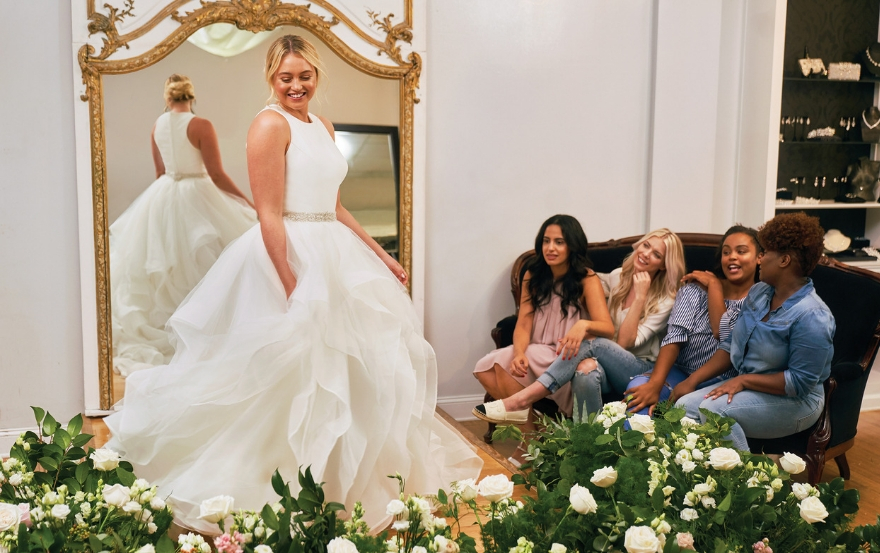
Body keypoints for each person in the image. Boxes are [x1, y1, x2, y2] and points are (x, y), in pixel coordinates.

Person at [104, 36, 482, 534]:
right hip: (291, 253)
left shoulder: (322, 126)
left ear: (316, 76)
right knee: (287, 377)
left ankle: (345, 488)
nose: (296, 86)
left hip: (336, 252)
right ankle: (276, 487)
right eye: (286, 78)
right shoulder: (268, 125)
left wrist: (380, 254)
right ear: (271, 78)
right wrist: (290, 281)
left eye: (305, 76)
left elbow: (337, 205)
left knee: (356, 372)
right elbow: (267, 214)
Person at [110, 74, 257, 377]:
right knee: (207, 264)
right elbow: (216, 174)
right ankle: (202, 333)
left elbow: (160, 171)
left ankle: (175, 334)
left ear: (167, 98)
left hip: (164, 196)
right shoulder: (201, 125)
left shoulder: (157, 126)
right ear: (192, 96)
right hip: (197, 194)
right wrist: (247, 204)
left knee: (167, 269)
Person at [473, 228, 685, 422]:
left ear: (664, 265)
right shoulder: (617, 276)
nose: (646, 254)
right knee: (586, 370)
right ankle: (586, 443)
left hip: (638, 368)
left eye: (657, 254)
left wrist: (640, 298)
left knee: (594, 343)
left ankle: (521, 400)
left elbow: (624, 342)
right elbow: (585, 278)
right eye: (646, 245)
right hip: (603, 362)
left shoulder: (667, 299)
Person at [672, 213, 835, 451]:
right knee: (683, 407)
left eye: (765, 252)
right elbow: (729, 345)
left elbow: (799, 383)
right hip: (752, 387)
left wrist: (743, 380)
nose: (760, 259)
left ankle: (749, 480)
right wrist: (691, 381)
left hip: (797, 401)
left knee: (713, 412)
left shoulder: (813, 315)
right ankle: (708, 479)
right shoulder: (760, 292)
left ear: (784, 260)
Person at [473, 215, 614, 430]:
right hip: (536, 351)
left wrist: (583, 325)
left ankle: (528, 445)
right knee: (485, 369)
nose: (550, 248)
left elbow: (607, 328)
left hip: (566, 356)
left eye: (559, 242)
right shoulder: (533, 274)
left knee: (497, 363)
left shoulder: (587, 279)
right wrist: (519, 352)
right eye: (546, 241)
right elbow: (523, 323)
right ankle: (532, 435)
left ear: (572, 246)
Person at [622, 225, 761, 416]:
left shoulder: (761, 301)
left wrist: (714, 287)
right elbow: (674, 338)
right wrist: (654, 384)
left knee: (690, 406)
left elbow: (724, 337)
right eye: (726, 252)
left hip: (724, 380)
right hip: (680, 370)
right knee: (637, 390)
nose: (732, 257)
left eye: (741, 251)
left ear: (759, 257)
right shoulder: (694, 290)